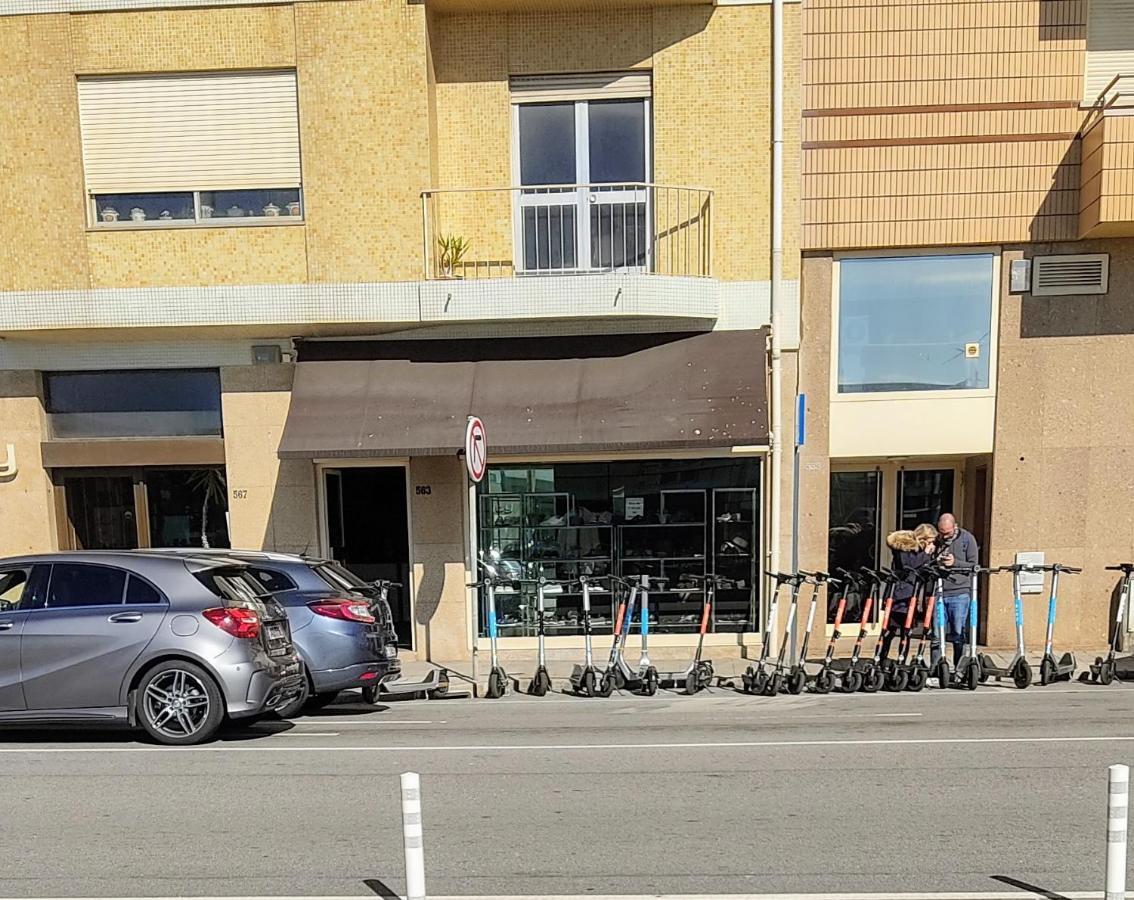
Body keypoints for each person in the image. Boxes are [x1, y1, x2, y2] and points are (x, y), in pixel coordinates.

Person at [880, 523, 936, 663]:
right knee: (891, 629)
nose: (931, 543)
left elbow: (923, 568)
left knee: (907, 631)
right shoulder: (904, 547)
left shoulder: (920, 551)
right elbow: (909, 566)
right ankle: (881, 658)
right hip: (899, 594)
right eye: (930, 540)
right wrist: (926, 554)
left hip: (912, 594)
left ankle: (901, 659)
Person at [936, 512, 980, 665]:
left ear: (955, 526)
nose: (944, 536)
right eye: (941, 532)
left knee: (958, 633)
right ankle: (937, 668)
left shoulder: (967, 539)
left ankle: (959, 667)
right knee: (936, 634)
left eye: (947, 533)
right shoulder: (936, 540)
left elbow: (975, 566)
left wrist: (955, 563)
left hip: (959, 592)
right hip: (939, 591)